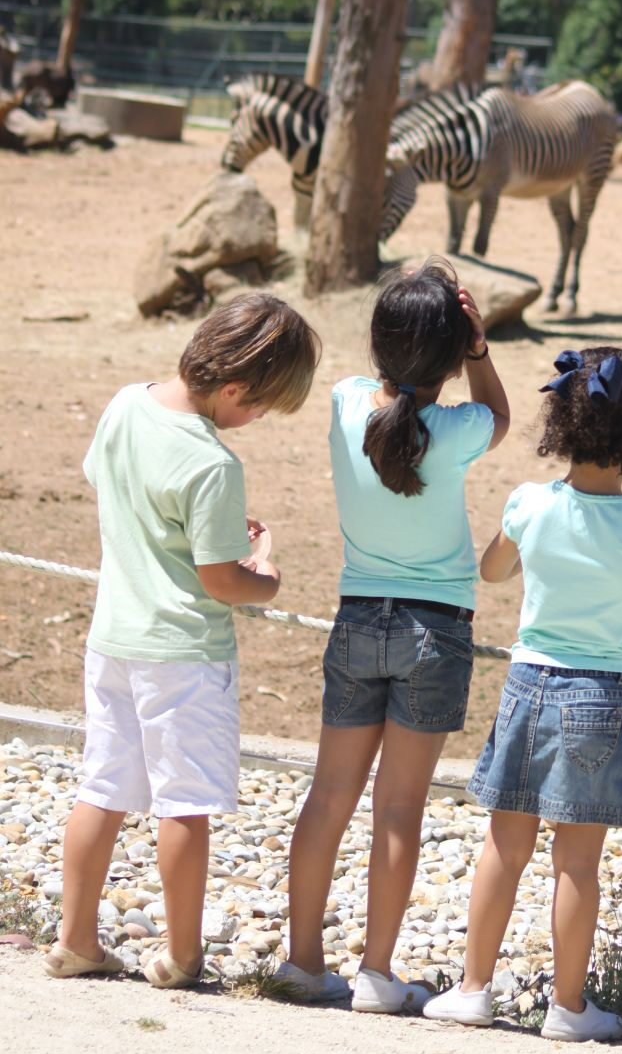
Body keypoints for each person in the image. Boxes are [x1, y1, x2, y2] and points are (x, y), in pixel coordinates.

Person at [423, 346, 622, 1041]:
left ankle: (473, 987)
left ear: (560, 424)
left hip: (529, 683)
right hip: (603, 692)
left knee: (504, 845)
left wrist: (518, 529)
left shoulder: (529, 503)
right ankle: (568, 1006)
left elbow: (494, 570)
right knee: (577, 863)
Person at [45, 293, 321, 987]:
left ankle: (75, 936)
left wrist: (208, 532)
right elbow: (223, 583)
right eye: (256, 407)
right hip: (185, 654)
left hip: (113, 638)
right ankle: (181, 953)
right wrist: (267, 573)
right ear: (234, 388)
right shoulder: (213, 463)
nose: (253, 421)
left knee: (100, 788)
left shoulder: (124, 404)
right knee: (183, 804)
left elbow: (112, 485)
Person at [280, 260, 510, 1010]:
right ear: (452, 354)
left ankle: (303, 958)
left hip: (356, 618)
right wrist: (478, 350)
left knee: (328, 796)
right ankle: (378, 973)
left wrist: (423, 301)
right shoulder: (460, 428)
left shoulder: (347, 402)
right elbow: (500, 415)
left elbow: (379, 380)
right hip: (434, 627)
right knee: (398, 808)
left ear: (378, 345)